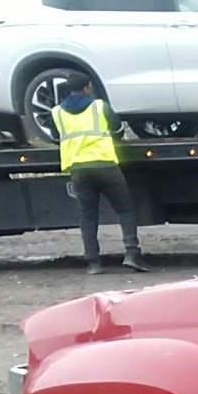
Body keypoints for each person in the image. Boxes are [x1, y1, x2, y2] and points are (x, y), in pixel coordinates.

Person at [51, 78, 146, 274]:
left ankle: (93, 263)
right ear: (86, 88)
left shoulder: (57, 112)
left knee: (88, 217)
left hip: (78, 170)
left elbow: (55, 136)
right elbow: (118, 130)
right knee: (125, 210)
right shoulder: (99, 107)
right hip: (105, 166)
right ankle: (132, 254)